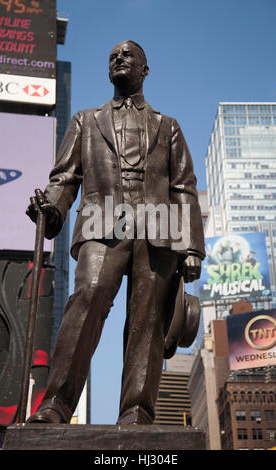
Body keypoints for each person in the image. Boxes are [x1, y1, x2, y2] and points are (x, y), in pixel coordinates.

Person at [26, 40, 205, 425]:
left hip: (158, 228)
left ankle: (136, 412)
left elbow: (184, 187)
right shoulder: (85, 121)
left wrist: (192, 247)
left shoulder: (168, 126)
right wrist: (53, 209)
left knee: (148, 320)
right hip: (102, 221)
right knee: (87, 297)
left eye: (127, 55)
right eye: (112, 56)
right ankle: (56, 403)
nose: (118, 59)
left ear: (145, 69)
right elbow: (65, 177)